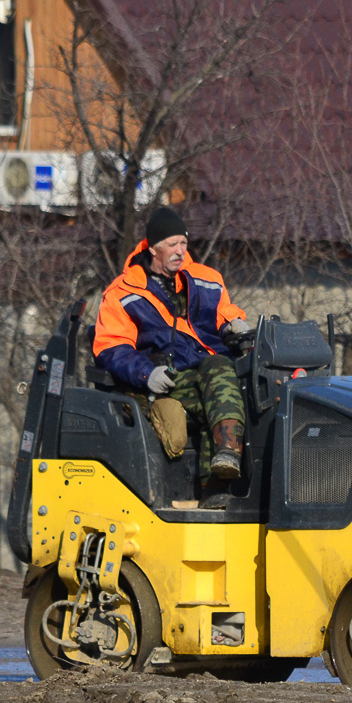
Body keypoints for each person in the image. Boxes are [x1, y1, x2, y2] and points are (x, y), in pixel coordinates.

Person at [92, 207, 250, 502]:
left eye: (184, 243)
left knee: (230, 376)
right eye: (173, 244)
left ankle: (222, 483)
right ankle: (220, 477)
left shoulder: (206, 278)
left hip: (212, 368)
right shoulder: (122, 294)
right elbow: (112, 347)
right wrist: (146, 374)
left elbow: (224, 313)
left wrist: (234, 323)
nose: (180, 251)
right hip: (168, 377)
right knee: (215, 384)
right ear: (153, 247)